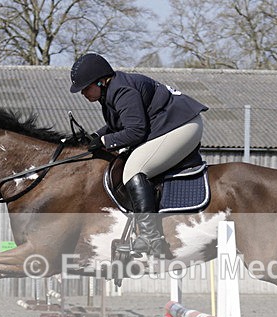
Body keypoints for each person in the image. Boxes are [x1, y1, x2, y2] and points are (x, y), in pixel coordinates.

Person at [69, 53, 208, 257]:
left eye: (86, 88)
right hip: (171, 125)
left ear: (100, 81)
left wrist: (104, 141)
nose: (83, 93)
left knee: (133, 170)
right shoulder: (112, 91)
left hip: (183, 126)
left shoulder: (122, 90)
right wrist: (96, 136)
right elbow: (119, 124)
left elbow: (136, 131)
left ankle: (151, 237)